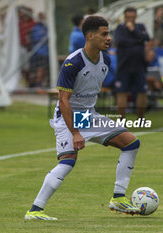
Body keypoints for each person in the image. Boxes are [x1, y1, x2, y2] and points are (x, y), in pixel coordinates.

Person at [25, 15, 141, 221]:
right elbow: (63, 101)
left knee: (131, 143)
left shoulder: (106, 59)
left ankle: (118, 197)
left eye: (109, 34)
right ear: (90, 36)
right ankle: (35, 210)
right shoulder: (73, 63)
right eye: (104, 34)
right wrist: (76, 132)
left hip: (89, 116)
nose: (109, 38)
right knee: (68, 162)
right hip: (67, 117)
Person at [114, 7, 150, 119]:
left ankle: (141, 118)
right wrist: (138, 40)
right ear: (125, 17)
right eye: (128, 17)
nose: (130, 19)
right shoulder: (120, 28)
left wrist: (134, 31)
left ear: (136, 17)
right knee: (121, 92)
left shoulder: (140, 27)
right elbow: (121, 41)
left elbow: (146, 38)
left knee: (142, 91)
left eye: (132, 17)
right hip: (124, 66)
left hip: (139, 65)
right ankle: (121, 120)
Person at [29, 12, 49, 88]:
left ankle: (40, 85)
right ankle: (37, 85)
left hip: (44, 52)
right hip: (40, 52)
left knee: (43, 70)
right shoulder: (37, 28)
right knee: (40, 69)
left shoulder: (44, 27)